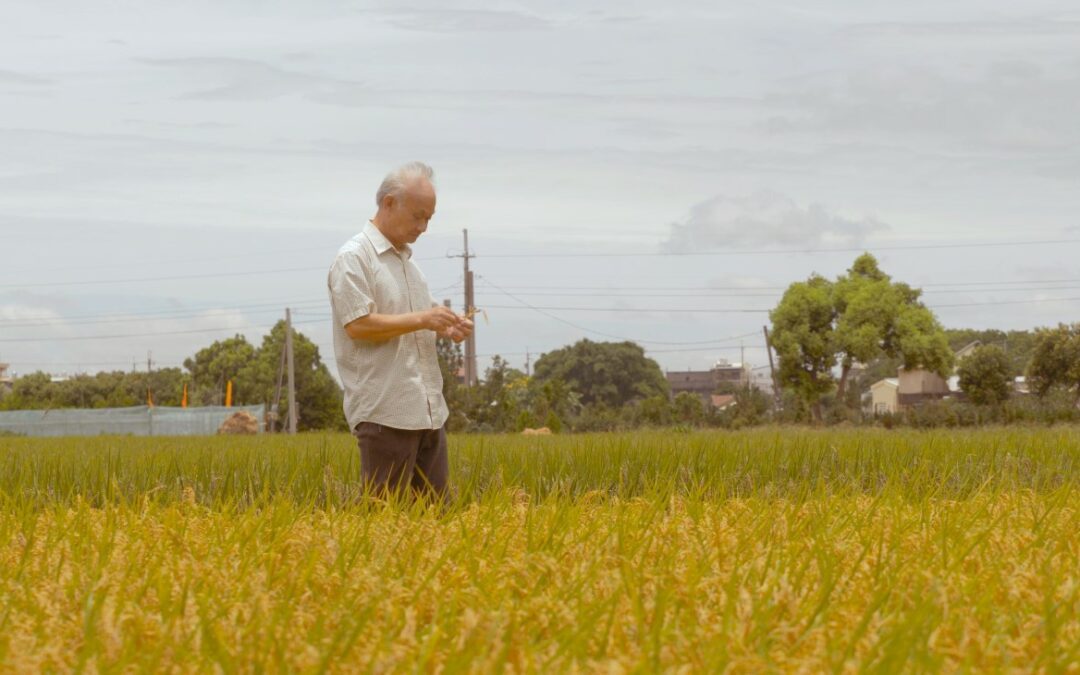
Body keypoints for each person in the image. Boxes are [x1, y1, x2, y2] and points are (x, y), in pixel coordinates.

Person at [327, 161, 472, 501]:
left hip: (428, 412)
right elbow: (358, 325)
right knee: (384, 527)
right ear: (389, 203)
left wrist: (448, 325)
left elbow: (420, 318)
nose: (423, 227)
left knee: (438, 523)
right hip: (385, 414)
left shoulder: (409, 264)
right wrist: (424, 319)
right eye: (417, 216)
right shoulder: (354, 258)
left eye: (429, 219)